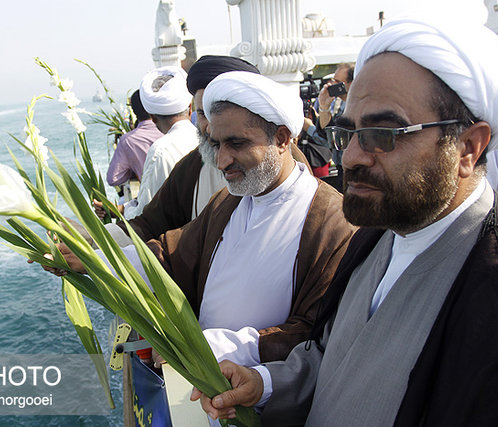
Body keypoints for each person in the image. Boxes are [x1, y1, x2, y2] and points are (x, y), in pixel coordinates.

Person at [193, 17, 498, 426]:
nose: (349, 157)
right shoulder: (375, 237)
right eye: (348, 132)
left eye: (383, 134)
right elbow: (329, 357)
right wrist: (262, 382)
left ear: (468, 148)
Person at [145, 70, 355, 367]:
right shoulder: (229, 202)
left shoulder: (332, 223)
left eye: (237, 144)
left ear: (282, 138)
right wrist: (95, 259)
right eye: (217, 145)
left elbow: (314, 331)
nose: (221, 161)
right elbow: (171, 253)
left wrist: (209, 346)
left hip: (264, 403)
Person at [97, 55, 313, 242]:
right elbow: (150, 226)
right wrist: (87, 242)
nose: (211, 127)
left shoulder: (291, 170)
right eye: (202, 114)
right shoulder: (192, 166)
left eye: (217, 114)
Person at [122, 65, 198, 220]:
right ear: (190, 108)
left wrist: (126, 209)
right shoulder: (206, 139)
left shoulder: (160, 150)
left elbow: (145, 214)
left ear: (153, 117)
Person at [302, 63, 354, 190]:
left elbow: (335, 142)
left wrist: (309, 128)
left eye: (337, 81)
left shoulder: (356, 109)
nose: (331, 85)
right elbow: (328, 136)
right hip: (342, 169)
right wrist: (324, 106)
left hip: (354, 170)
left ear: (351, 84)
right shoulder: (340, 104)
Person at [106, 90, 163, 188]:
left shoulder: (128, 141)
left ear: (133, 110)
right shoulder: (170, 130)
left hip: (154, 197)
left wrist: (133, 167)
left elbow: (113, 178)